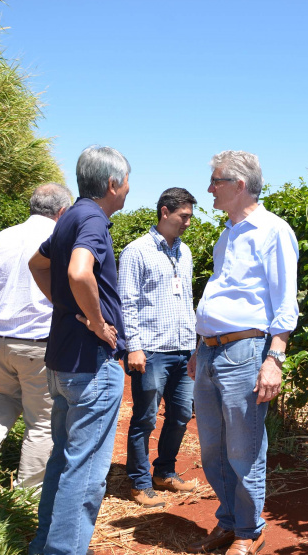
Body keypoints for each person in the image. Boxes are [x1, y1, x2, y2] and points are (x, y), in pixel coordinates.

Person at [185, 151, 298, 555]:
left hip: (246, 352)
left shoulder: (272, 230)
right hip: (212, 353)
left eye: (215, 181)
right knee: (213, 448)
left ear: (239, 185)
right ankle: (230, 519)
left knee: (243, 448)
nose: (209, 188)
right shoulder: (228, 232)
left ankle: (249, 531)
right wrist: (202, 347)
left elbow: (284, 299)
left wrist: (275, 357)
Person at [27, 145, 131, 555]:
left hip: (62, 362)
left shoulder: (68, 217)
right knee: (85, 471)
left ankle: (44, 545)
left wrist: (65, 304)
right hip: (91, 364)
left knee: (64, 461)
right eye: (126, 181)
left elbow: (38, 264)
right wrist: (100, 323)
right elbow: (77, 270)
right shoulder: (92, 218)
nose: (128, 189)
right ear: (112, 184)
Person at [0, 183, 72, 489]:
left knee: (6, 395)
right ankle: (27, 492)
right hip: (36, 342)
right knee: (41, 419)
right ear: (62, 212)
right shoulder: (59, 240)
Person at [119, 187, 199, 508]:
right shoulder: (136, 252)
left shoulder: (186, 252)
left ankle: (164, 471)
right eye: (184, 216)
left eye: (190, 217)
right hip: (151, 352)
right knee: (145, 418)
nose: (188, 223)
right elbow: (127, 302)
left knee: (181, 413)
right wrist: (133, 347)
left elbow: (188, 300)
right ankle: (138, 482)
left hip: (182, 350)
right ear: (165, 212)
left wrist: (193, 346)